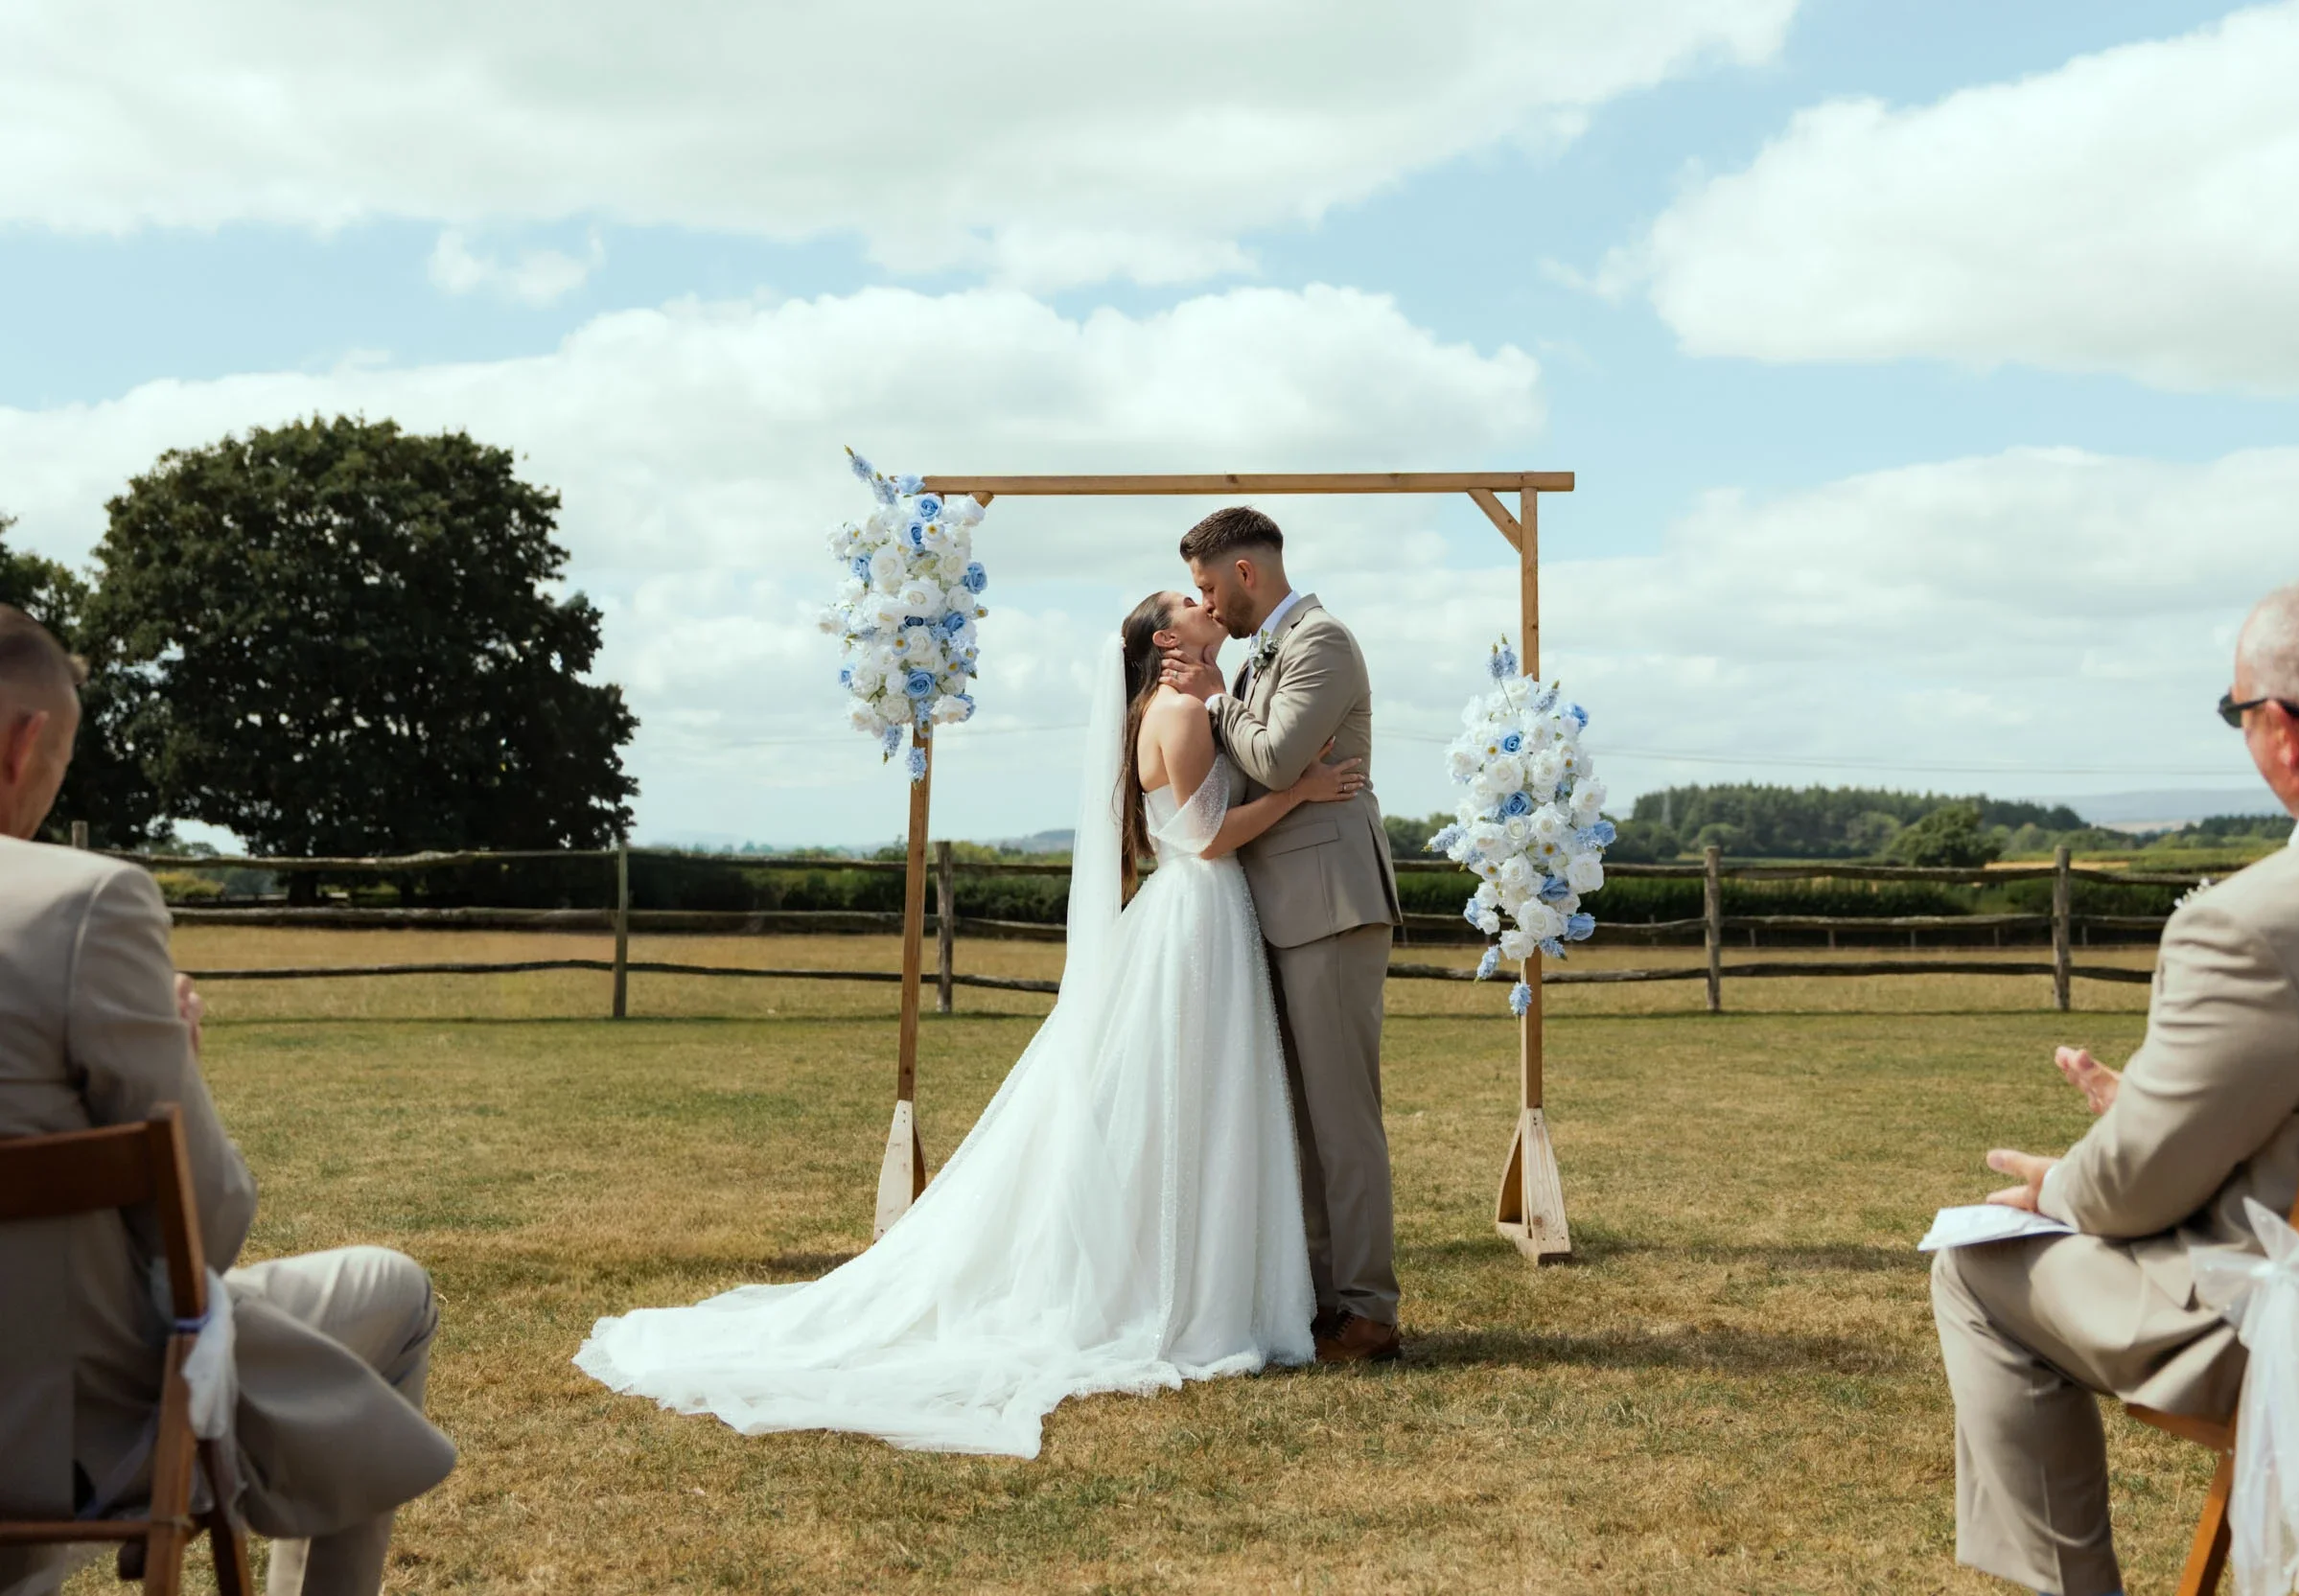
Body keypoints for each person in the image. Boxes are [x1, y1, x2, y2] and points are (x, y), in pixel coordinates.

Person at [575, 586, 1366, 1456]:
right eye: (1184, 600)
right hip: (1196, 911)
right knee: (1185, 1100)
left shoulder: (1196, 703)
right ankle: (1179, 1289)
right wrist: (1304, 793)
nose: (1201, 600)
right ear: (1163, 640)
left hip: (1205, 918)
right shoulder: (1178, 714)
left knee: (1201, 1100)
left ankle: (1205, 1277)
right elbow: (1208, 836)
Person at [1932, 572, 2299, 1596]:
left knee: (1974, 1265)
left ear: (2282, 729)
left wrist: (2062, 1182)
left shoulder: (2256, 920)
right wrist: (2154, 1103)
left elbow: (2134, 1190)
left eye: (2234, 713)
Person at [0, 604, 454, 1596]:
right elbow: (208, 1226)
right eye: (61, 764)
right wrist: (182, 1062)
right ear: (22, 741)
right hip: (62, 1431)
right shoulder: (83, 905)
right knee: (398, 1292)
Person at [1160, 506, 1405, 1363]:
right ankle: (1322, 1302)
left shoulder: (1320, 642)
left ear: (1245, 574)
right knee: (1300, 1121)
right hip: (1280, 904)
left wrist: (1220, 701)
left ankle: (1370, 1311)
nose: (1206, 604)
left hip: (1330, 904)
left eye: (1205, 585)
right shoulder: (1270, 647)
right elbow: (1261, 759)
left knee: (1342, 1120)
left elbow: (1272, 756)